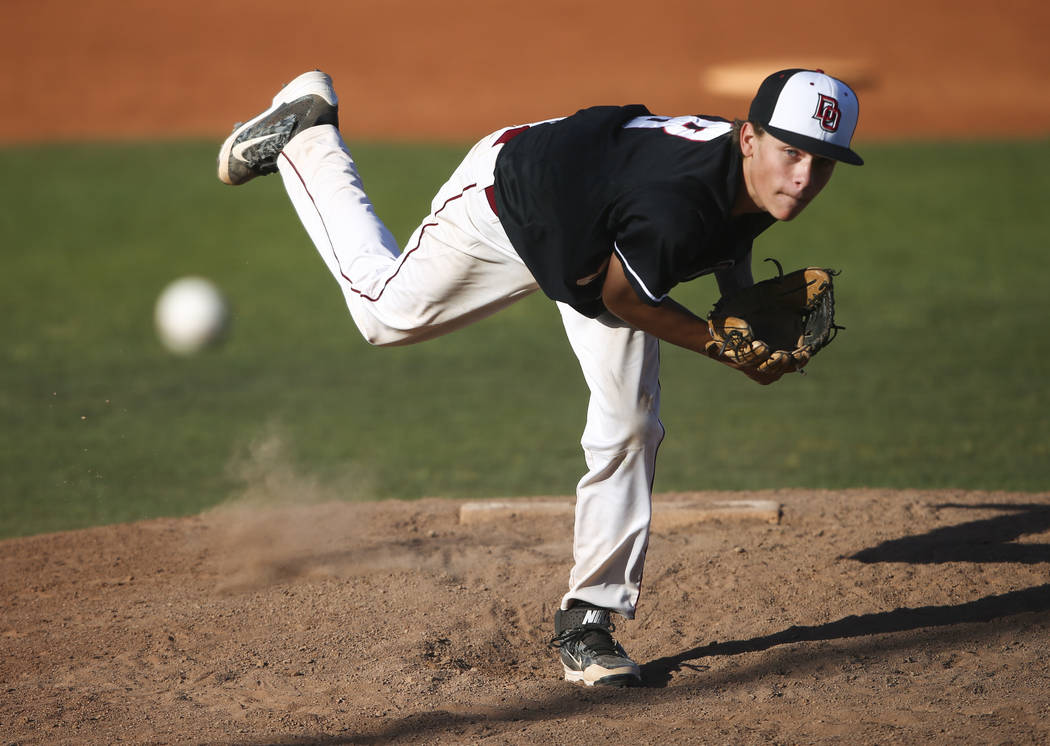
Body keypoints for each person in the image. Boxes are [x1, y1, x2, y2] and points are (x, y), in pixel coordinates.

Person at [217, 67, 862, 687]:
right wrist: (725, 348)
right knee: (383, 315)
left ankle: (589, 619)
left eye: (822, 162)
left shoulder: (758, 178)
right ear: (748, 137)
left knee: (630, 423)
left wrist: (737, 298)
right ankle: (308, 136)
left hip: (596, 232)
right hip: (511, 204)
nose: (803, 177)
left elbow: (725, 233)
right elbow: (623, 298)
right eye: (791, 152)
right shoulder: (677, 201)